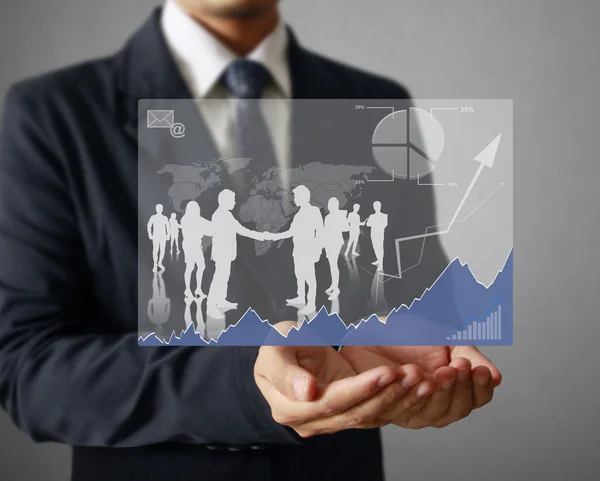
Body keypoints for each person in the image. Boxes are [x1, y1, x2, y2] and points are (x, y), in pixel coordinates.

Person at [0, 1, 502, 480]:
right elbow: (27, 366)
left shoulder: (379, 104)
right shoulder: (52, 114)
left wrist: (430, 363)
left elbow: (412, 298)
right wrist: (245, 383)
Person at [207, 189, 267, 319]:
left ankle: (221, 300)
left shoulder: (225, 214)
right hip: (222, 253)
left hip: (225, 253)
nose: (234, 202)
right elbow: (241, 230)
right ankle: (211, 308)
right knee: (218, 279)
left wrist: (260, 236)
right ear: (225, 201)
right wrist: (261, 236)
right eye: (232, 200)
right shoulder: (222, 215)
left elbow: (239, 229)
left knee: (224, 278)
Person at [271, 185, 324, 314]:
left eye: (296, 196)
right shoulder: (298, 214)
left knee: (309, 277)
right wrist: (274, 236)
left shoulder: (314, 211)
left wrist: (318, 250)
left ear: (304, 197)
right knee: (299, 275)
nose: (294, 199)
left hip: (309, 250)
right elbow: (291, 232)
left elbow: (320, 231)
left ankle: (311, 304)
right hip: (298, 250)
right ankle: (301, 298)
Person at [180, 200, 212, 299]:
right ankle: (187, 290)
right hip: (190, 245)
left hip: (196, 245)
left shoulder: (193, 219)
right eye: (196, 207)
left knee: (201, 266)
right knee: (189, 267)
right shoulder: (187, 219)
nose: (197, 209)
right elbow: (205, 225)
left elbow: (206, 224)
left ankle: (198, 289)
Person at [322, 197, 350, 300]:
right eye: (329, 204)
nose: (330, 206)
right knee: (331, 265)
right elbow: (325, 230)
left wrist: (342, 221)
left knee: (333, 265)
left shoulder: (340, 216)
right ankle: (334, 285)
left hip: (336, 241)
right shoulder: (328, 217)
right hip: (328, 242)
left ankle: (336, 288)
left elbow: (347, 228)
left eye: (332, 204)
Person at [147, 203, 170, 272]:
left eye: (161, 208)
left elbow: (168, 227)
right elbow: (149, 225)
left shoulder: (165, 218)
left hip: (163, 236)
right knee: (155, 250)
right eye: (158, 208)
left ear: (162, 209)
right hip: (156, 236)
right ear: (156, 209)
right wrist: (150, 234)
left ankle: (160, 262)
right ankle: (154, 264)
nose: (160, 210)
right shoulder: (153, 217)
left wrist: (168, 235)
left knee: (162, 251)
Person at [367, 201, 388, 272]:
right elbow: (368, 224)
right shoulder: (371, 216)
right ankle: (378, 260)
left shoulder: (384, 215)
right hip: (373, 233)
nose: (376, 207)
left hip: (379, 233)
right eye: (375, 206)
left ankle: (381, 264)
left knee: (380, 247)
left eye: (377, 206)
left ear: (380, 206)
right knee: (375, 247)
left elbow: (384, 224)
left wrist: (375, 223)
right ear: (373, 207)